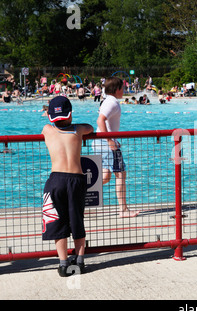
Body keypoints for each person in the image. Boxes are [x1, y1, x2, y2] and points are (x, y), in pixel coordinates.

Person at [41, 96, 94, 277]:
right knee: (77, 220)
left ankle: (63, 264)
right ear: (70, 115)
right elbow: (91, 127)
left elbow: (51, 123)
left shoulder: (47, 129)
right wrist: (74, 124)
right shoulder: (78, 130)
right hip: (77, 180)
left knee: (58, 222)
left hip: (56, 180)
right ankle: (79, 262)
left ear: (50, 117)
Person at [94, 77, 140, 218]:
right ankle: (123, 210)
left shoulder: (108, 101)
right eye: (123, 88)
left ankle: (83, 189)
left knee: (106, 176)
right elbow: (100, 120)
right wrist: (109, 140)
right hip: (106, 143)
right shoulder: (112, 102)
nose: (124, 90)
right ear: (117, 89)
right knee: (120, 174)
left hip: (101, 142)